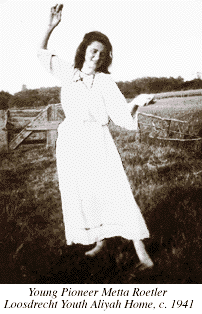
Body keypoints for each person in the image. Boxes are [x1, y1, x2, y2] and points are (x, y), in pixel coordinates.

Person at [38, 4, 153, 269]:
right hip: (71, 144)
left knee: (117, 190)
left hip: (98, 142)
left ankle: (140, 249)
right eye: (93, 51)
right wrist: (50, 26)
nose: (97, 57)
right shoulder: (67, 73)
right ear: (84, 51)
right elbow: (41, 53)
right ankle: (100, 241)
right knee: (85, 193)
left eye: (102, 54)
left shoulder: (105, 82)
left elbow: (122, 116)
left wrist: (136, 101)